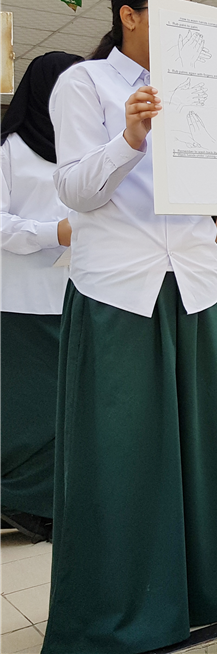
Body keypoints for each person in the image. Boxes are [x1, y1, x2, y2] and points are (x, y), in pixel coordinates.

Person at [45, 0, 217, 654]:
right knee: (121, 453)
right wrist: (130, 137)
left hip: (193, 284)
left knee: (202, 447)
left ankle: (206, 592)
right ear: (128, 15)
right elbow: (75, 189)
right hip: (119, 287)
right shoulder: (85, 83)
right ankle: (116, 612)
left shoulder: (205, 90)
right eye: (169, 14)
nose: (187, 28)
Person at [0, 51, 81, 544]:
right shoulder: (8, 149)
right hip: (21, 302)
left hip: (74, 295)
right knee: (29, 410)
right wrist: (55, 232)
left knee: (65, 408)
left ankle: (49, 500)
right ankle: (15, 498)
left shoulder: (82, 152)